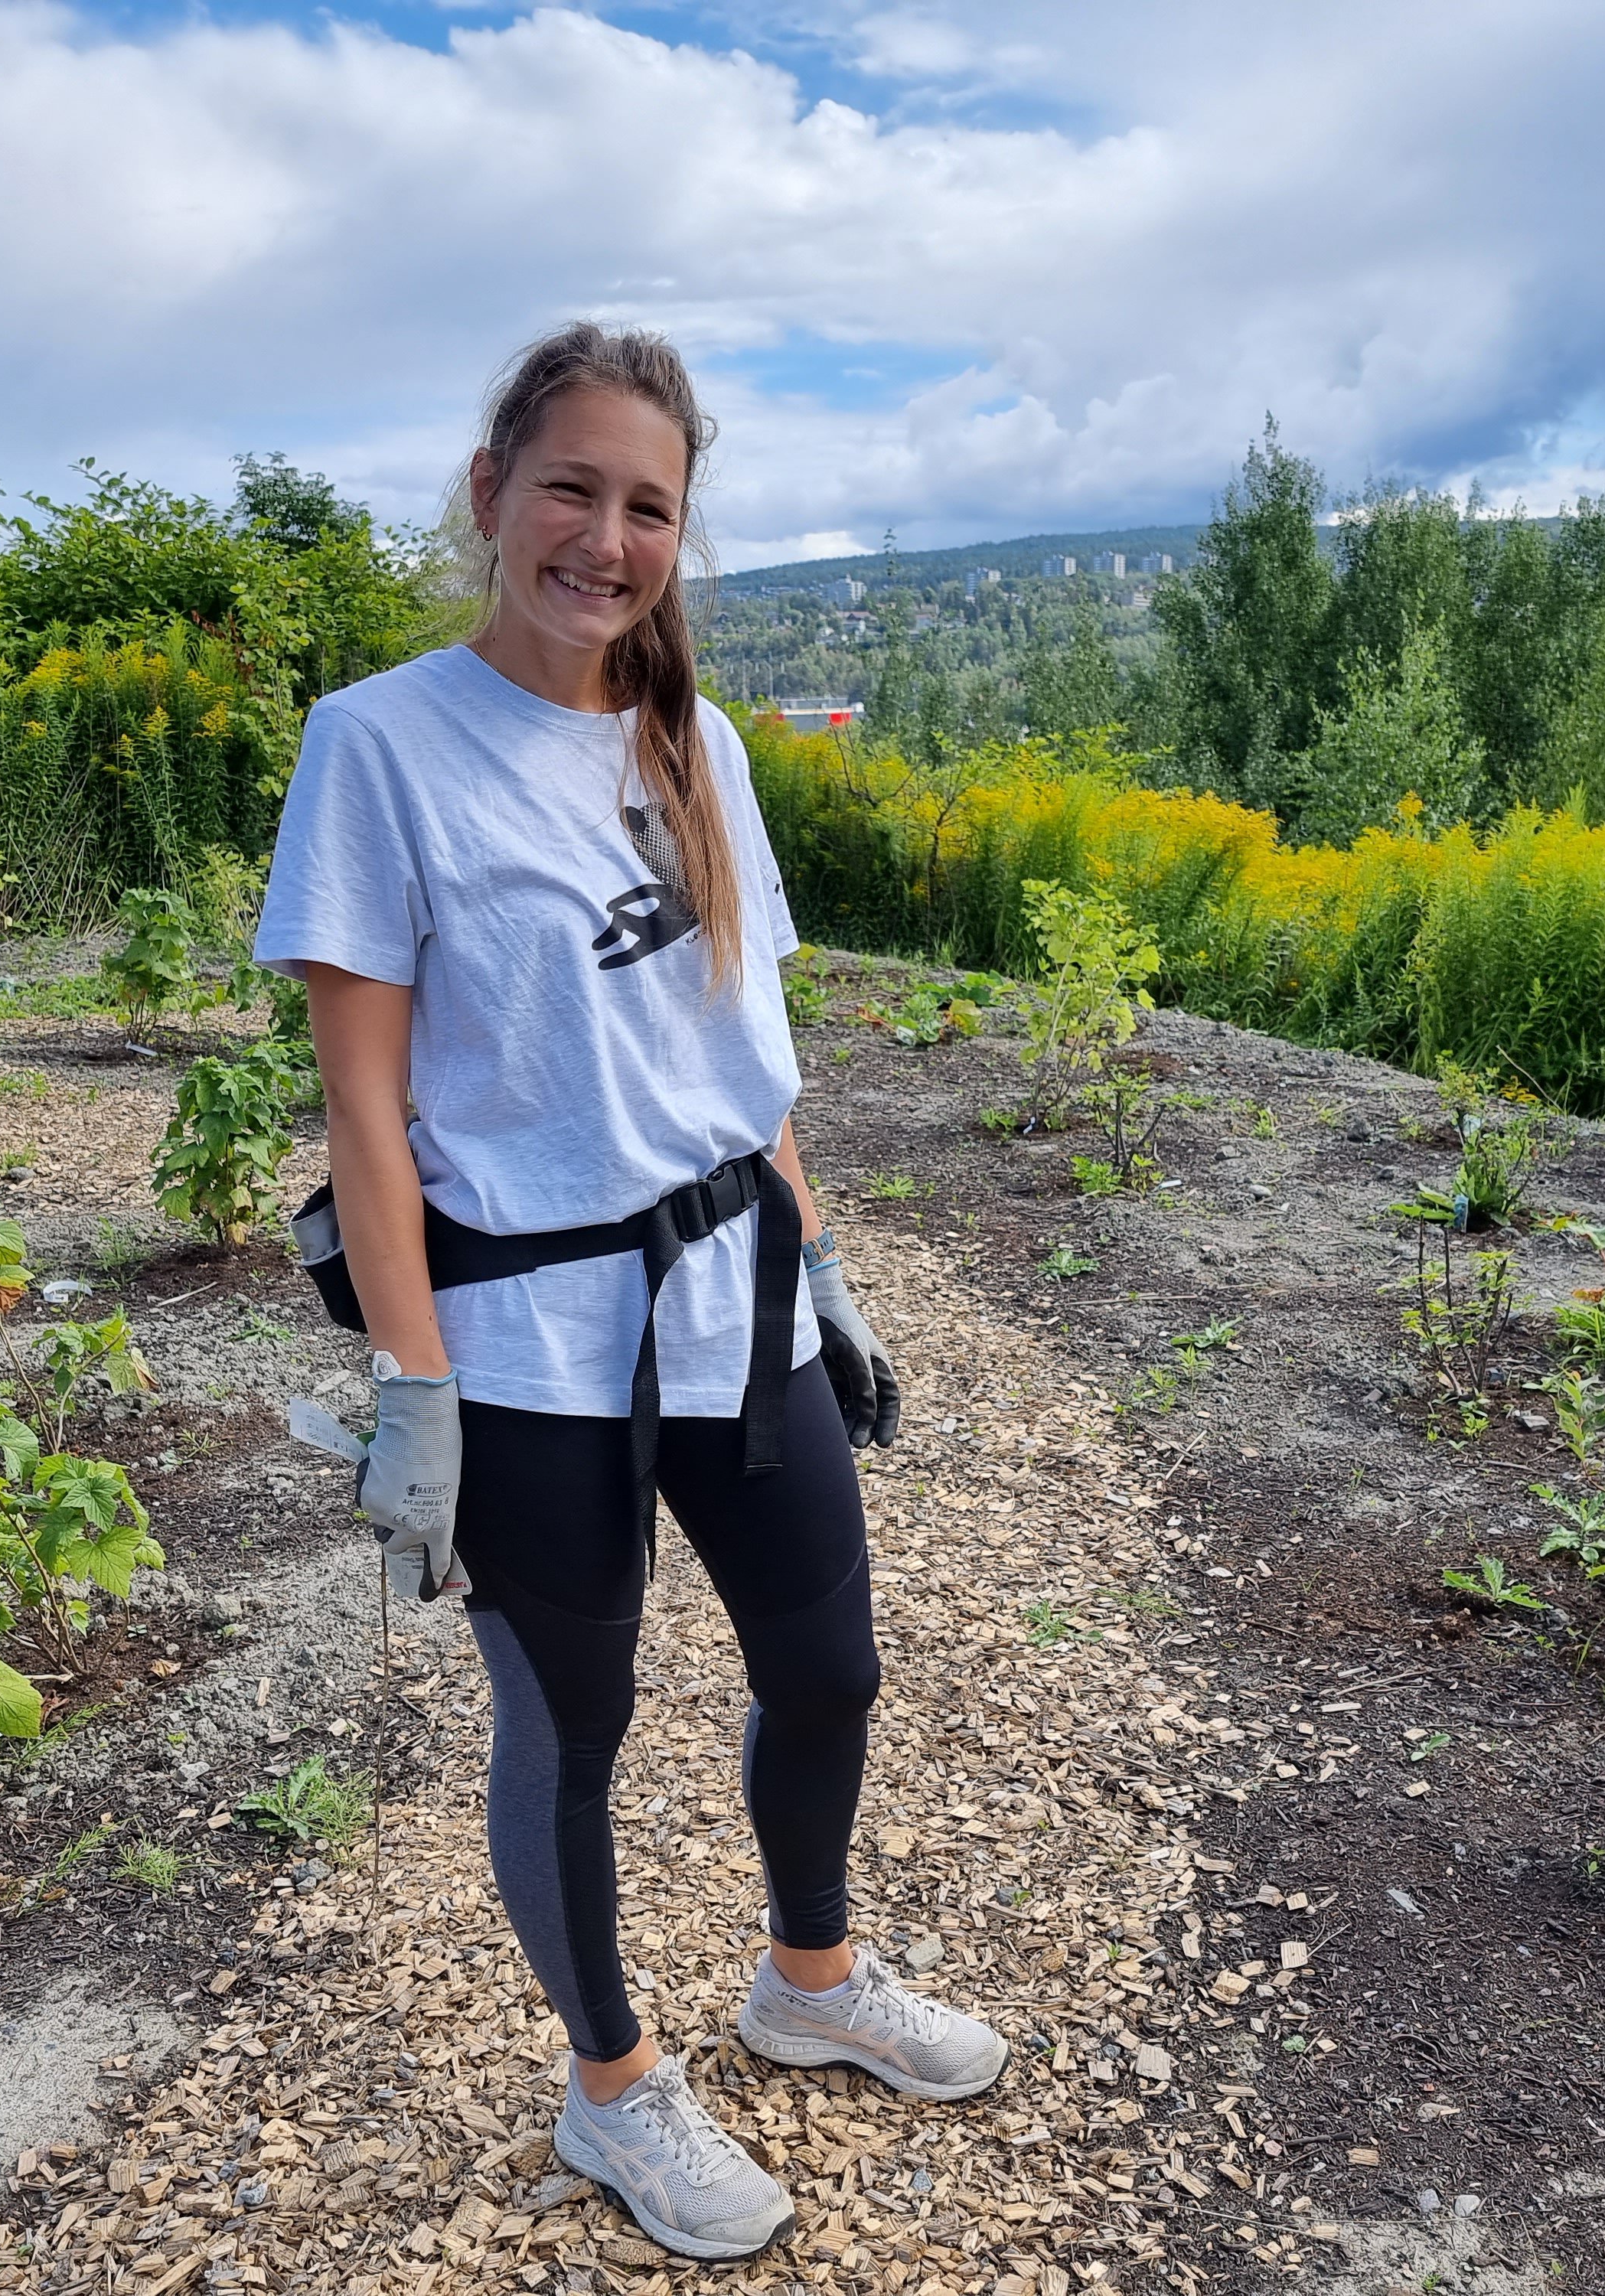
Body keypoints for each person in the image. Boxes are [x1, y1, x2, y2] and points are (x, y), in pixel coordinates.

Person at [254, 321, 1007, 2263]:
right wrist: (412, 1390)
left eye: (646, 504)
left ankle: (808, 1979)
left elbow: (728, 1049)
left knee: (825, 1664)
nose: (604, 537)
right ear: (490, 490)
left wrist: (816, 1256)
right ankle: (610, 2093)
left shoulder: (697, 741)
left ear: (680, 530)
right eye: (570, 488)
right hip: (518, 1339)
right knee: (571, 1731)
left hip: (730, 1293)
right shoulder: (380, 743)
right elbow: (360, 1110)